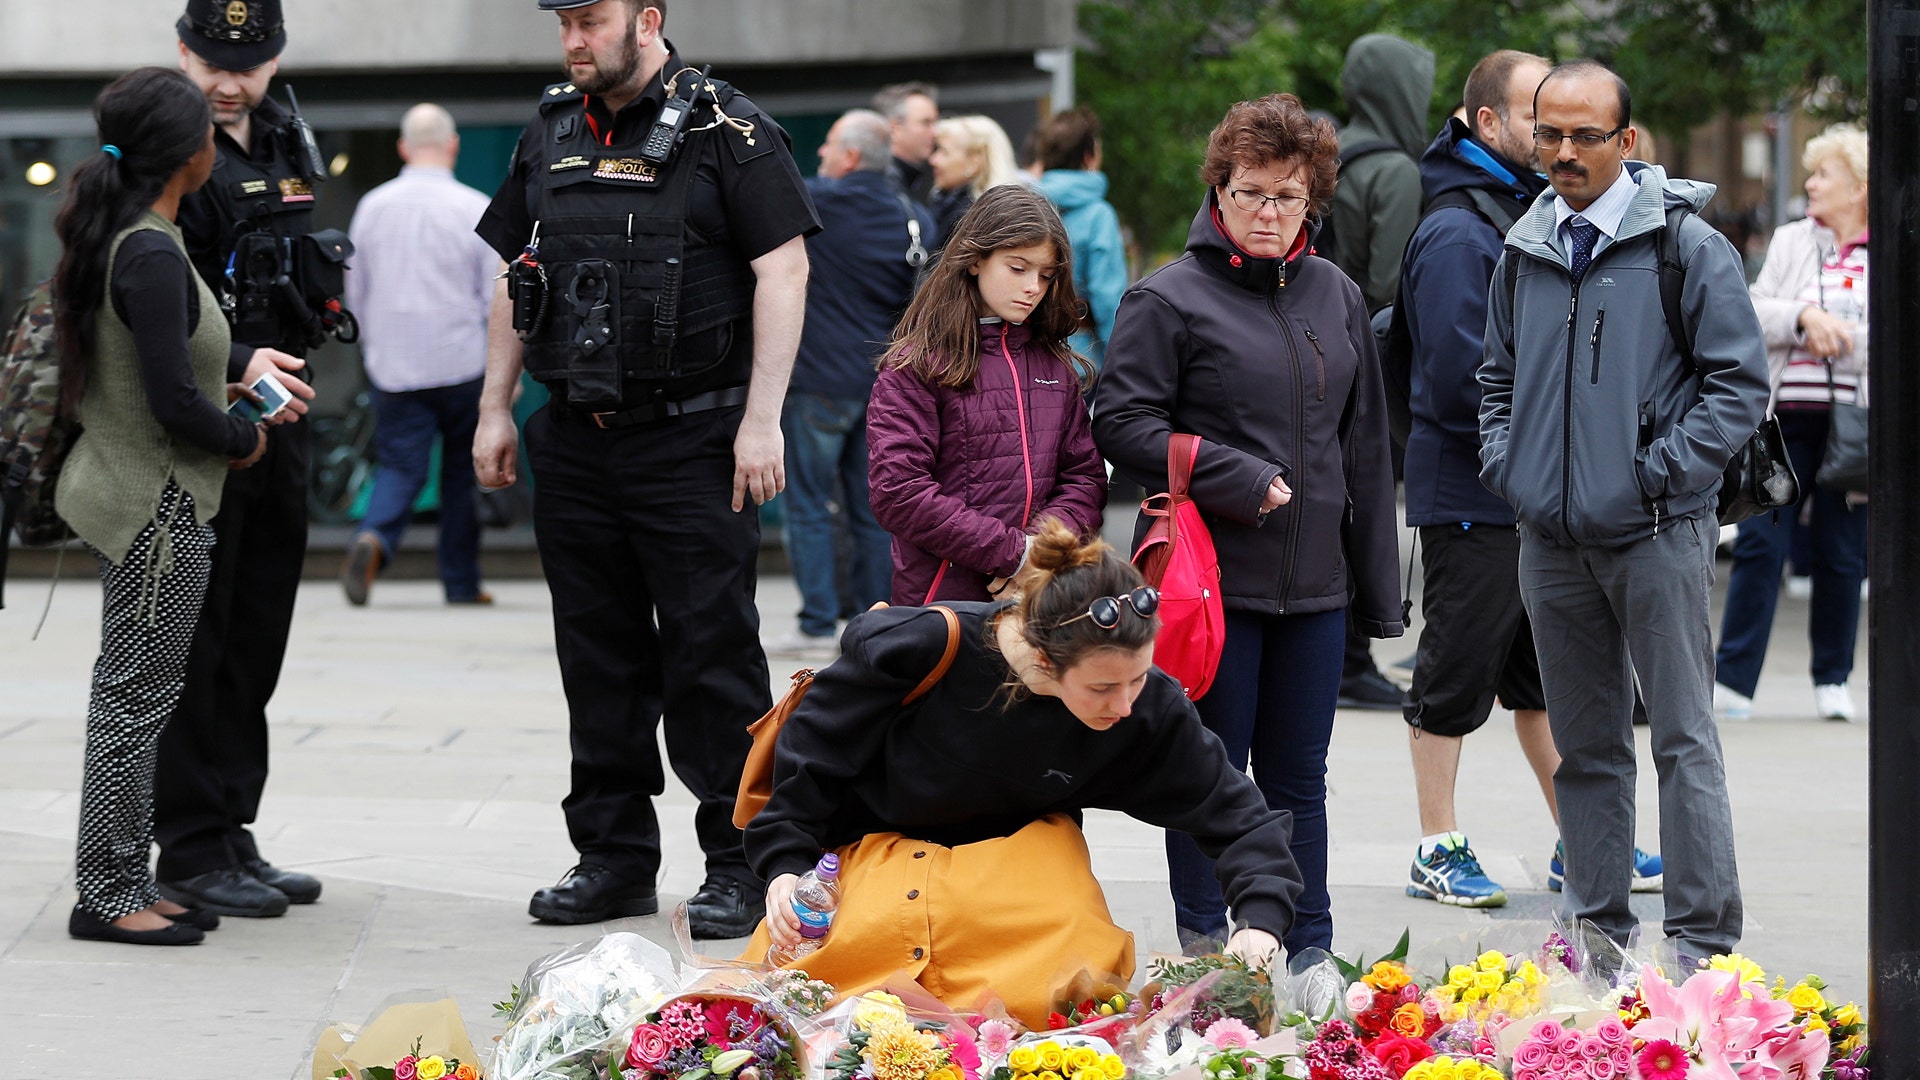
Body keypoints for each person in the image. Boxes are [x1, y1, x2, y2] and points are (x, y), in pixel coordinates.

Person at [471, 0, 818, 937]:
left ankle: (742, 861)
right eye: (565, 24)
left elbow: (782, 270)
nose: (574, 39)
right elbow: (518, 272)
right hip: (576, 439)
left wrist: (762, 421)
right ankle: (613, 859)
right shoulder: (549, 130)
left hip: (693, 438)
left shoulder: (727, 127)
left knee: (712, 656)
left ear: (648, 18)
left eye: (590, 20)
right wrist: (496, 405)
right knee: (597, 656)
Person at [740, 519, 1301, 1026]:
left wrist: (1258, 923)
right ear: (1043, 659)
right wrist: (786, 867)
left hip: (1019, 873)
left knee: (1070, 1005)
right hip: (879, 854)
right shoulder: (923, 645)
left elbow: (1241, 818)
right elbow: (809, 761)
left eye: (1139, 678)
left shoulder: (1142, 704)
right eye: (1103, 688)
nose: (1126, 704)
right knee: (822, 1007)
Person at [1094, 93, 1405, 957]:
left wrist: (1377, 593)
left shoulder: (1337, 294)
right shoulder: (1167, 298)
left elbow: (1367, 451)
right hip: (1207, 587)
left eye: (1289, 197)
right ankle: (1206, 950)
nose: (1269, 213)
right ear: (1218, 191)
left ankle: (1307, 950)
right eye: (1251, 193)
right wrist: (1230, 474)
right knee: (1210, 774)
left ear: (1313, 201)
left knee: (1300, 778)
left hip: (1315, 590)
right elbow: (1118, 424)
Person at [1477, 60, 1768, 962]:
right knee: (1587, 749)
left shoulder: (1686, 246)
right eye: (1549, 134)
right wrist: (1512, 468)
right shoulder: (1523, 245)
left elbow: (1740, 384)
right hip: (1550, 540)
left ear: (1626, 142)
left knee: (1683, 743)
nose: (1563, 153)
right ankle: (1595, 940)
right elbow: (1494, 382)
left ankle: (1700, 948)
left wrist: (1656, 476)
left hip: (1656, 535)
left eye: (1585, 137)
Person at [1396, 51, 1666, 908]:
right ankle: (1436, 844)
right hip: (1475, 495)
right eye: (1536, 118)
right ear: (1488, 123)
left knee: (1544, 681)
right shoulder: (1457, 230)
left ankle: (1585, 842)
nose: (1554, 135)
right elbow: (1455, 379)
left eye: (1568, 122)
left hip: (1535, 498)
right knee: (1453, 676)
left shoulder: (1534, 213)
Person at [52, 67, 292, 944]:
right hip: (158, 508)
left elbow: (156, 372)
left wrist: (232, 382)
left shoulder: (138, 237)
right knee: (134, 701)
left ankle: (124, 877)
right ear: (188, 153)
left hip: (150, 497)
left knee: (138, 697)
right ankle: (107, 895)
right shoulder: (149, 249)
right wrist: (245, 434)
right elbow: (171, 406)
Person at [156, 0, 329, 921]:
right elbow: (134, 297)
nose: (230, 80)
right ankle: (186, 842)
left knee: (256, 639)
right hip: (197, 428)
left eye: (249, 60)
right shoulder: (157, 137)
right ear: (183, 49)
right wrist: (228, 365)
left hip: (283, 420)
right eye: (214, 59)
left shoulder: (286, 132)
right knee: (196, 642)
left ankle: (230, 827)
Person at [867, 185, 1107, 607]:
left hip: (1039, 599)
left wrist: (1041, 554)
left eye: (1047, 275)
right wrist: (1014, 555)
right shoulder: (916, 365)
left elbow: (1084, 478)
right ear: (975, 259)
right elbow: (899, 491)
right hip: (941, 606)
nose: (1034, 287)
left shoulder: (1056, 365)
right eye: (1018, 268)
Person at [1713, 124, 1871, 723]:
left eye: (1823, 175)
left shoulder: (1886, 247)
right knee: (1759, 541)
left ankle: (1833, 678)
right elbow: (1753, 307)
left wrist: (1846, 338)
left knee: (1842, 550)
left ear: (1858, 187)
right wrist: (1804, 316)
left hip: (1853, 421)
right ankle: (1734, 683)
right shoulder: (1791, 239)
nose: (1811, 184)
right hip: (1783, 421)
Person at [770, 110, 933, 656]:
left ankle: (817, 621)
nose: (819, 157)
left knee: (811, 505)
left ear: (850, 157)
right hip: (884, 386)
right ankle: (874, 619)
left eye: (829, 147)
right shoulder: (913, 217)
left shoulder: (813, 203)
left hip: (817, 381)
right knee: (874, 510)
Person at [340, 104, 499, 608]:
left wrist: (372, 344)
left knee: (399, 466)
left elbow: (354, 291)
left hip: (395, 363)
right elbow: (494, 297)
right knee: (460, 474)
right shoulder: (475, 206)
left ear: (403, 148)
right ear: (452, 146)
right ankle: (461, 583)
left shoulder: (372, 206)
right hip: (462, 362)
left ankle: (376, 538)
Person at [1327, 32, 1434, 713]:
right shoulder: (1394, 169)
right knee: (1363, 515)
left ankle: (1339, 658)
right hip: (1361, 359)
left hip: (1314, 353)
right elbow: (1395, 281)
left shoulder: (1334, 152)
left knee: (1332, 511)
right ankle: (1351, 659)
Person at [1033, 108, 1128, 368]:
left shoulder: (1024, 205)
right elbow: (1108, 299)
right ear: (1089, 157)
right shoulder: (1099, 215)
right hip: (1080, 356)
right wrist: (1120, 360)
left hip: (1025, 354)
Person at [928, 115, 1021, 249]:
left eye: (944, 152)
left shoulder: (973, 220)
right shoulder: (945, 204)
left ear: (974, 163)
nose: (934, 160)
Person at [873, 82, 939, 206]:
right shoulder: (880, 188)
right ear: (894, 130)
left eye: (935, 123)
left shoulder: (909, 181)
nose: (935, 132)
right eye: (926, 123)